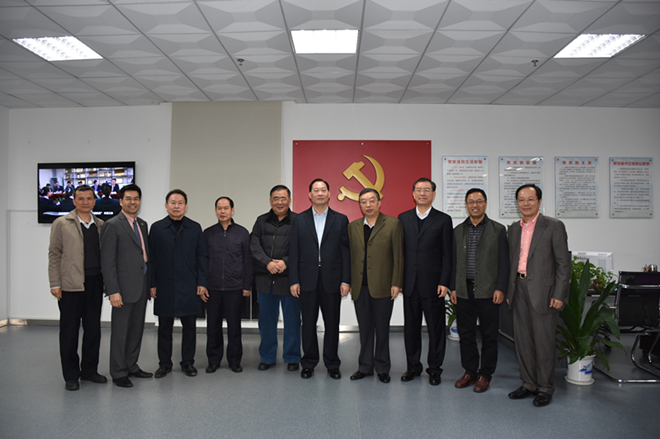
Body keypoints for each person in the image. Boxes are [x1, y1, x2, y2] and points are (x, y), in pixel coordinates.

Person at [506, 184, 570, 407]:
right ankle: (528, 383)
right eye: (521, 199)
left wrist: (559, 293)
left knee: (543, 341)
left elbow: (563, 263)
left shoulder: (553, 226)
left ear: (539, 201)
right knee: (523, 341)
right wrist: (509, 291)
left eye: (530, 199)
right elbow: (511, 262)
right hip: (519, 289)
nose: (526, 203)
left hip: (544, 291)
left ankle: (545, 387)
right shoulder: (513, 229)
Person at [289, 178, 350, 380]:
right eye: (316, 190)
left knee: (332, 324)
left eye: (323, 190)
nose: (320, 193)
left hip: (332, 280)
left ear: (329, 194)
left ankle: (332, 364)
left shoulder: (340, 219)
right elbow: (294, 251)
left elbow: (345, 252)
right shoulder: (299, 220)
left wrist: (345, 280)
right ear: (310, 195)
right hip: (307, 280)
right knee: (307, 324)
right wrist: (294, 280)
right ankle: (308, 363)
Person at [48, 185, 106, 391]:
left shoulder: (100, 225)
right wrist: (55, 283)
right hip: (70, 286)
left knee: (93, 330)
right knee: (69, 332)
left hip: (95, 284)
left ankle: (89, 371)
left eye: (89, 198)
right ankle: (71, 375)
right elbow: (54, 254)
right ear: (73, 201)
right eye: (80, 198)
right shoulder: (61, 223)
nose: (85, 202)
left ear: (94, 201)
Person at [450, 188, 509, 393]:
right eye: (471, 201)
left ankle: (485, 374)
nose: (475, 205)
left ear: (485, 203)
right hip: (464, 290)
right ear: (466, 205)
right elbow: (453, 262)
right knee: (466, 334)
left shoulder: (498, 230)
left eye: (479, 201)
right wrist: (453, 287)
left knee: (489, 335)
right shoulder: (458, 230)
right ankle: (470, 371)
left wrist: (501, 287)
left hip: (489, 291)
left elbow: (504, 262)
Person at [398, 177, 452, 386]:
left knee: (435, 329)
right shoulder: (403, 218)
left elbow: (447, 254)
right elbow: (400, 253)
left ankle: (435, 369)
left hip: (433, 284)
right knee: (410, 328)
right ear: (413, 194)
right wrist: (398, 280)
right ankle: (413, 367)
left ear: (433, 194)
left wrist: (444, 281)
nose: (422, 193)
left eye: (427, 190)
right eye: (419, 190)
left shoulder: (443, 220)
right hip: (410, 283)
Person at [149, 189, 208, 378]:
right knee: (164, 328)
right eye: (173, 203)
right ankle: (164, 364)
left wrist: (202, 282)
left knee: (189, 327)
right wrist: (152, 283)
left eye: (180, 203)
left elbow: (202, 257)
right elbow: (151, 258)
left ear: (186, 206)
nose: (176, 206)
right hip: (164, 285)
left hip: (189, 285)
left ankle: (188, 362)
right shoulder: (157, 228)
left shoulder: (195, 228)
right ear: (166, 206)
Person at [347, 188, 403, 384]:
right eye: (364, 201)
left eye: (372, 200)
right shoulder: (353, 227)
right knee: (365, 329)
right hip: (360, 287)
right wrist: (349, 282)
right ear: (360, 205)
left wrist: (396, 282)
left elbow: (398, 256)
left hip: (383, 286)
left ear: (379, 203)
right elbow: (350, 257)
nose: (368, 205)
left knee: (382, 329)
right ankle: (365, 366)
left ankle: (383, 367)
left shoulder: (393, 224)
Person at [101, 184, 153, 387]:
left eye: (136, 198)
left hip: (141, 285)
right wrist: (112, 290)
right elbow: (107, 262)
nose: (133, 202)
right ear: (121, 201)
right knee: (120, 332)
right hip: (122, 289)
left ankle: (131, 365)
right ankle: (118, 372)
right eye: (128, 198)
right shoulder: (112, 225)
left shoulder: (142, 224)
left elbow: (143, 255)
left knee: (136, 330)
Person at [250, 185, 300, 371]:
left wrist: (286, 262)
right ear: (270, 201)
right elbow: (254, 245)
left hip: (289, 280)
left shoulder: (298, 221)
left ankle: (292, 357)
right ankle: (267, 357)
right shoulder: (261, 221)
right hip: (265, 279)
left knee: (292, 321)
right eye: (276, 198)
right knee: (266, 322)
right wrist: (267, 263)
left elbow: (303, 247)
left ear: (289, 200)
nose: (280, 202)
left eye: (283, 198)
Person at [203, 197, 252, 374]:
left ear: (232, 210)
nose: (222, 211)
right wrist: (202, 284)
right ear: (215, 211)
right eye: (219, 208)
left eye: (226, 208)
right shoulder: (208, 233)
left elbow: (248, 261)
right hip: (212, 288)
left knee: (234, 327)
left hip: (235, 288)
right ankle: (213, 360)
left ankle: (234, 360)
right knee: (213, 326)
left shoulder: (242, 233)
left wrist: (247, 285)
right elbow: (202, 261)